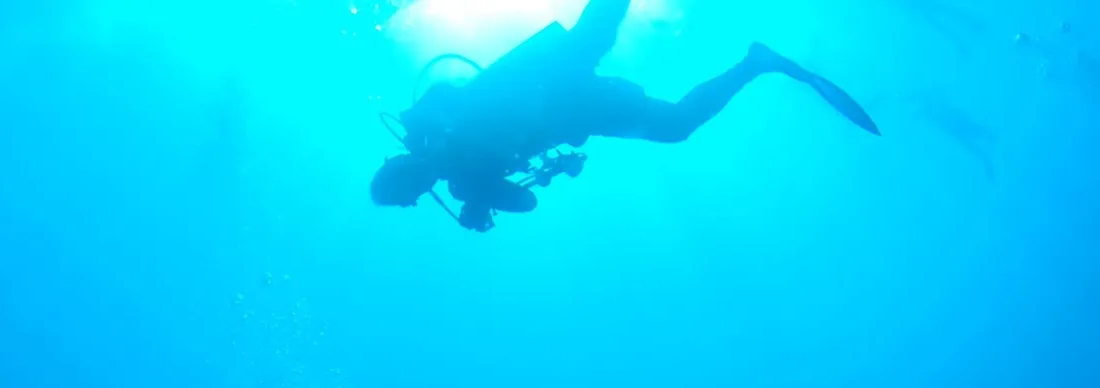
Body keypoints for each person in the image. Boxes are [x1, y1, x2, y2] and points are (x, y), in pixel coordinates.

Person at [370, 0, 880, 232]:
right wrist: (481, 205)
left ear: (398, 172)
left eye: (403, 196)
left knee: (600, 25)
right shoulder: (464, 184)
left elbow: (455, 90)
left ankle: (756, 62)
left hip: (549, 77)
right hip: (575, 109)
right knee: (676, 126)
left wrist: (472, 182)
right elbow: (525, 201)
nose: (415, 201)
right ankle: (755, 63)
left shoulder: (428, 127)